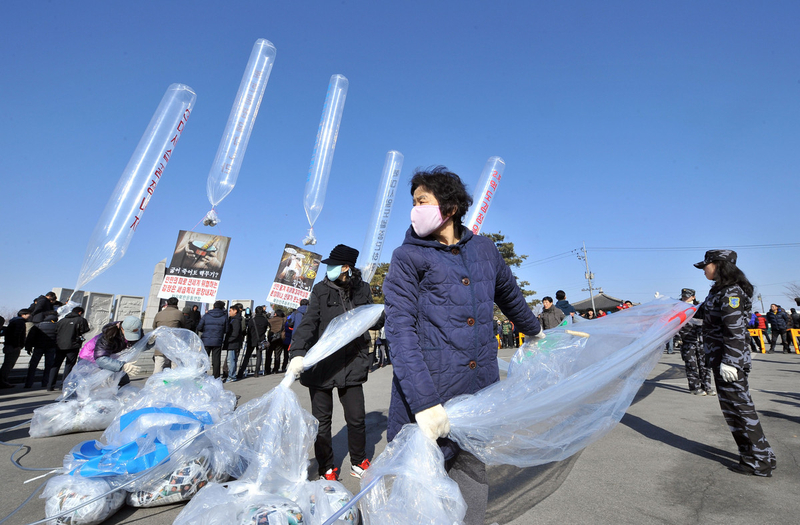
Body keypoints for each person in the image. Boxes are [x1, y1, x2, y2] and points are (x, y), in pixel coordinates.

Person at [382, 167, 543, 524]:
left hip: (479, 393)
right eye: (413, 203)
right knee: (423, 489)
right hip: (429, 398)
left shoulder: (485, 250)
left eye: (421, 201)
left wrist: (537, 332)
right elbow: (400, 331)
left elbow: (511, 298)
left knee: (472, 477)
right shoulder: (407, 258)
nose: (414, 210)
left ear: (450, 207)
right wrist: (424, 404)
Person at [287, 244, 378, 481]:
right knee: (322, 422)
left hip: (352, 362)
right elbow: (309, 322)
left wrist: (381, 314)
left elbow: (371, 320)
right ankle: (326, 466)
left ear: (346, 268)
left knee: (356, 418)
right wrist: (297, 352)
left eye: (333, 266)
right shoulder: (320, 289)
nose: (329, 269)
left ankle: (359, 461)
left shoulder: (363, 289)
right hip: (322, 366)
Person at [694, 249, 775, 476]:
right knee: (734, 410)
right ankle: (756, 456)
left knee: (740, 410)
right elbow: (699, 316)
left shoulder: (731, 292)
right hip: (721, 359)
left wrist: (731, 361)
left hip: (729, 362)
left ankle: (760, 461)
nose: (704, 271)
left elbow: (735, 329)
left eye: (706, 266)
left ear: (719, 265)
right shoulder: (717, 291)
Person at [676, 288, 714, 396]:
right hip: (687, 340)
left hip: (701, 340)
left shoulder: (700, 307)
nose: (685, 298)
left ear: (693, 297)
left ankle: (707, 386)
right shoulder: (678, 308)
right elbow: (675, 325)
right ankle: (695, 387)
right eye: (683, 296)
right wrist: (678, 338)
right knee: (691, 365)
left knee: (705, 365)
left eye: (687, 296)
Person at [93, 316, 143, 384]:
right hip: (93, 359)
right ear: (121, 328)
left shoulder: (137, 331)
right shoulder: (109, 335)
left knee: (123, 382)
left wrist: (149, 343)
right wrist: (122, 366)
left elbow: (138, 346)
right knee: (100, 384)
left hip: (113, 359)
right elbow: (100, 358)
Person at [51, 306, 90, 391]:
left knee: (55, 365)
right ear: (80, 312)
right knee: (69, 365)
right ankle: (64, 385)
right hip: (73, 345)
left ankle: (50, 385)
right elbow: (85, 330)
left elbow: (56, 331)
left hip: (59, 345)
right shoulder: (80, 320)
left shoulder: (61, 321)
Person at [24, 311, 59, 388]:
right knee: (48, 366)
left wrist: (28, 347)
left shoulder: (38, 325)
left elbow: (30, 337)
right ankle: (45, 383)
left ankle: (28, 383)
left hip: (38, 346)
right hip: (51, 347)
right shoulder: (57, 326)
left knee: (33, 365)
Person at [152, 297, 187, 373]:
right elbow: (184, 327)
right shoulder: (179, 313)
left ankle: (155, 383)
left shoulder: (159, 314)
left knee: (158, 365)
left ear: (167, 304)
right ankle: (174, 384)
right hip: (174, 343)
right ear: (176, 304)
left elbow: (154, 327)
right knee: (175, 366)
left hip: (160, 343)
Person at [197, 300, 229, 379]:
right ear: (222, 308)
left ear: (213, 306)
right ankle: (216, 377)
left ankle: (202, 376)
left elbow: (199, 327)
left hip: (206, 340)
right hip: (217, 340)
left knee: (204, 359)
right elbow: (227, 330)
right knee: (216, 359)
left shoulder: (206, 315)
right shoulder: (224, 317)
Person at [0, 309, 31, 389]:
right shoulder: (20, 322)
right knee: (8, 364)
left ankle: (3, 381)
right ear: (23, 315)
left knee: (7, 364)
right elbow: (17, 335)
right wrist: (17, 345)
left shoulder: (14, 321)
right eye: (28, 314)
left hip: (10, 345)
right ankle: (3, 381)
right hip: (13, 347)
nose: (30, 316)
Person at [239, 305, 269, 379]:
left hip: (252, 339)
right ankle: (256, 372)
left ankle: (241, 372)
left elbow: (248, 330)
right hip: (260, 340)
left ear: (255, 312)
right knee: (259, 356)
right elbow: (265, 329)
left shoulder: (252, 320)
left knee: (247, 356)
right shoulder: (265, 320)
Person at [223, 305, 244, 382]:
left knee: (231, 360)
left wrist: (229, 340)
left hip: (233, 343)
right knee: (232, 360)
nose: (229, 312)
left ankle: (232, 376)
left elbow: (235, 333)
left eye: (230, 310)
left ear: (235, 311)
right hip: (233, 342)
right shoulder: (233, 319)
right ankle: (232, 375)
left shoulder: (236, 320)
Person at [268, 309, 287, 374]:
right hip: (280, 338)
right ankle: (276, 369)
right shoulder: (283, 320)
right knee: (277, 355)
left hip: (271, 338)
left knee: (269, 354)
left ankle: (267, 369)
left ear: (275, 314)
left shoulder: (270, 320)